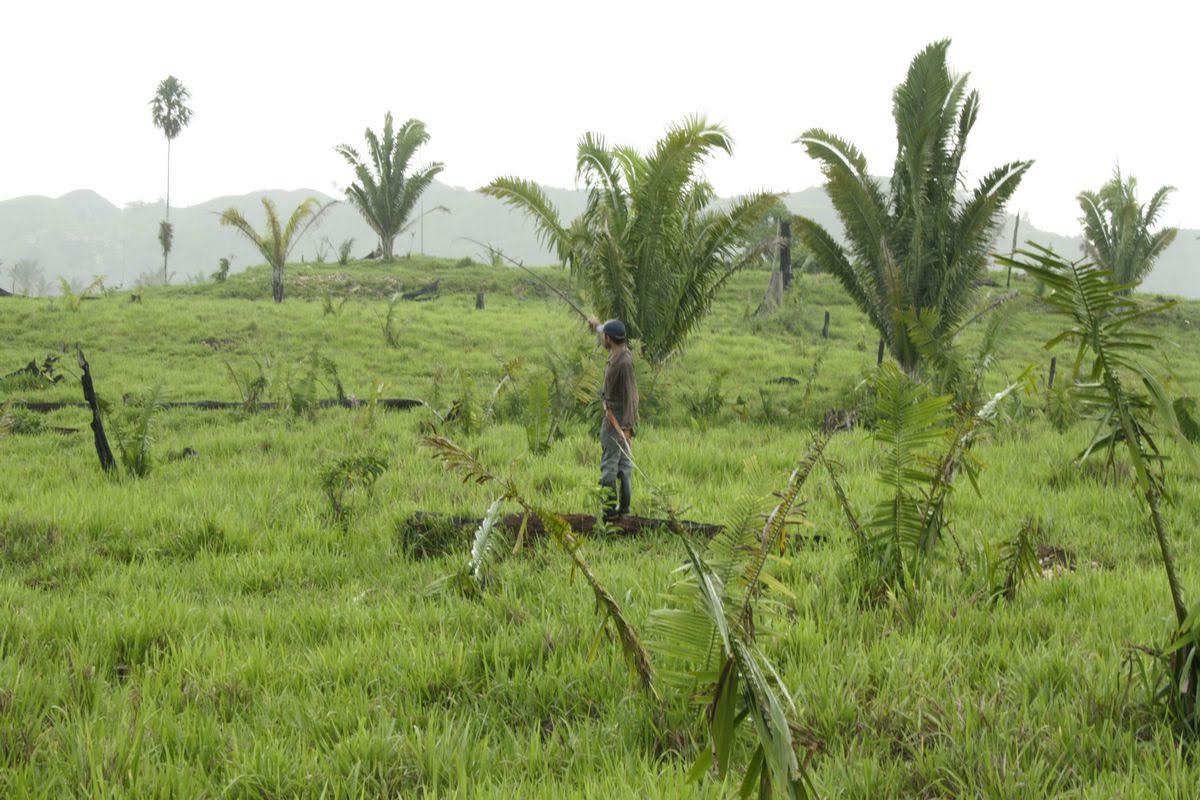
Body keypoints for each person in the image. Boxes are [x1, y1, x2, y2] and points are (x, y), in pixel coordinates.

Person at [588, 316, 638, 520]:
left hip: (616, 420)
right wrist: (596, 326)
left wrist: (626, 427)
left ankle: (610, 513)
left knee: (613, 466)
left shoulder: (624, 363)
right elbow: (604, 330)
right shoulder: (618, 352)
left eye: (603, 336)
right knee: (622, 465)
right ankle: (622, 511)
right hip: (616, 417)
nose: (602, 339)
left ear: (609, 339)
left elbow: (631, 397)